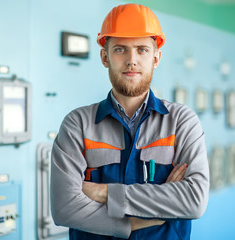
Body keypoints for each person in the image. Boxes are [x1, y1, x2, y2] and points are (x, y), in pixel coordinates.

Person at [50, 3, 209, 240]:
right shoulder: (78, 125)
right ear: (105, 57)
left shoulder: (181, 122)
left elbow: (194, 202)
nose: (131, 60)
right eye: (120, 49)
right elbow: (65, 208)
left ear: (156, 57)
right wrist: (148, 217)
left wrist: (103, 193)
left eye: (142, 50)